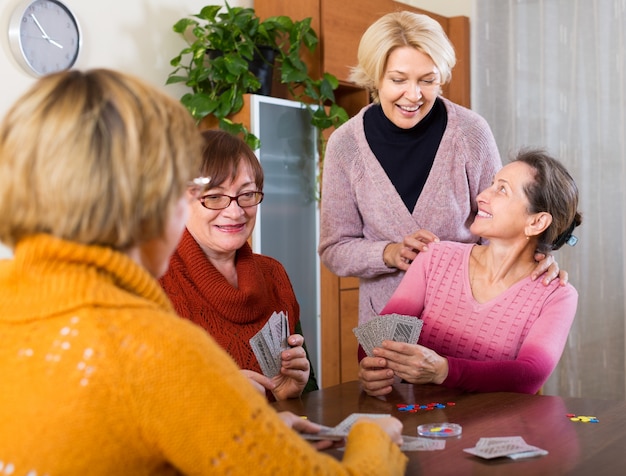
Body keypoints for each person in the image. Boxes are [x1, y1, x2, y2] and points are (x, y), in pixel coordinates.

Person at [0, 68, 407, 474]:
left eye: (246, 195)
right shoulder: (158, 348)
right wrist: (372, 438)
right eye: (192, 190)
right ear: (149, 201)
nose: (231, 209)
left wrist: (250, 428)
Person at [318, 11, 563, 330]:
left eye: (427, 80)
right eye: (398, 80)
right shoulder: (345, 145)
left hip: (471, 320)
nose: (414, 95)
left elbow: (509, 221)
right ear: (375, 76)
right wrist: (389, 253)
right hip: (387, 325)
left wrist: (537, 260)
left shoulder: (470, 133)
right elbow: (334, 250)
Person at [359, 149, 581, 396]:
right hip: (422, 424)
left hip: (500, 429)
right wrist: (375, 368)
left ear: (536, 222)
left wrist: (444, 370)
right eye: (491, 184)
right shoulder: (435, 257)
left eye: (502, 189)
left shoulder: (557, 295)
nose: (482, 196)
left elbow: (529, 375)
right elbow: (376, 343)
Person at [160, 129, 317, 401]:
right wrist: (217, 393)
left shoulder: (274, 274)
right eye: (214, 197)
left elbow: (309, 388)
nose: (235, 212)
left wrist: (292, 391)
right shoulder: (152, 282)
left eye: (247, 195)